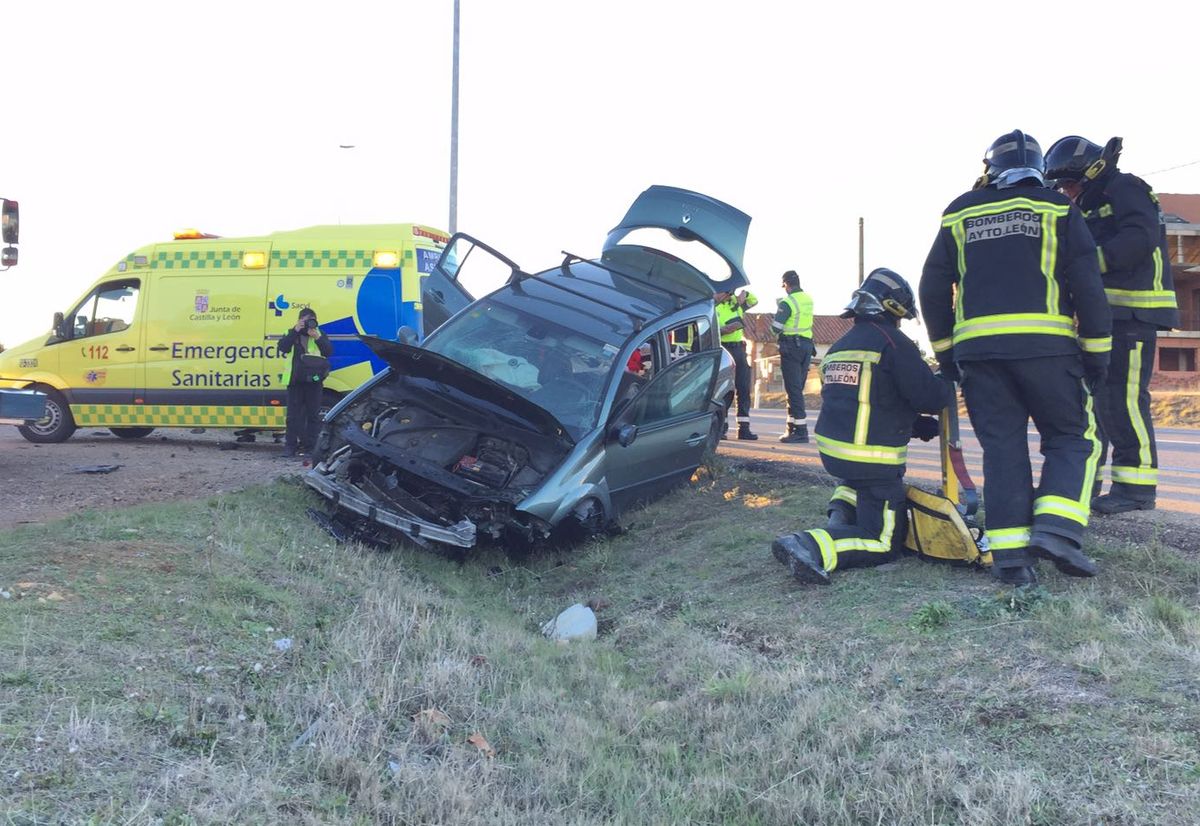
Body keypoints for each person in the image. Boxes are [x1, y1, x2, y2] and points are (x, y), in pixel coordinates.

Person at [920, 130, 1112, 586]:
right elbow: (1088, 285)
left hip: (979, 354)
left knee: (1003, 450)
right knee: (1074, 438)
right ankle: (1058, 529)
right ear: (1041, 170)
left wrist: (946, 354)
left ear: (990, 171)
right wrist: (1098, 354)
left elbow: (932, 286)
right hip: (1047, 349)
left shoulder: (960, 211)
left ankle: (1010, 560)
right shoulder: (1058, 207)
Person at [771, 269, 951, 584]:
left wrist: (910, 422)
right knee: (883, 542)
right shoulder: (893, 343)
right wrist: (950, 377)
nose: (901, 324)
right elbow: (932, 397)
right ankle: (811, 545)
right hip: (872, 462)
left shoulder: (840, 347)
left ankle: (840, 518)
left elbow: (867, 401)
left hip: (838, 454)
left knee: (857, 484)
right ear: (892, 308)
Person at [1044, 136, 1180, 514]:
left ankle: (1136, 489)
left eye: (1069, 184)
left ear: (1091, 172)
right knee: (1097, 403)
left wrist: (1089, 263)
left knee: (1124, 400)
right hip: (1104, 317)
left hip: (1135, 314)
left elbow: (1140, 238)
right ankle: (1089, 484)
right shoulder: (1085, 204)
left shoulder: (1127, 188)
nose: (1065, 191)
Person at [278, 307, 333, 458]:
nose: (309, 324)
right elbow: (282, 347)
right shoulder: (292, 333)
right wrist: (295, 331)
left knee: (313, 416)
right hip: (295, 381)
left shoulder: (319, 334)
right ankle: (290, 447)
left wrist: (317, 337)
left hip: (314, 382)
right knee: (292, 417)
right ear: (299, 320)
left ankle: (311, 447)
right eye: (305, 321)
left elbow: (328, 351)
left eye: (311, 320)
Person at [772, 270, 815, 443]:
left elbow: (775, 327)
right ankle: (791, 427)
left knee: (793, 390)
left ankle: (801, 431)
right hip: (806, 346)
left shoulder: (787, 302)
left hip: (791, 347)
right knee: (797, 389)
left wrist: (778, 310)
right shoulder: (808, 299)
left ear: (786, 285)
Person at [715, 288, 759, 440]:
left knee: (743, 388)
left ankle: (744, 428)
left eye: (730, 292)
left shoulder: (736, 304)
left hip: (739, 348)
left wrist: (744, 294)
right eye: (726, 292)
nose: (728, 295)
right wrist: (724, 330)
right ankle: (721, 428)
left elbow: (754, 300)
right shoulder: (714, 306)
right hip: (723, 349)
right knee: (722, 389)